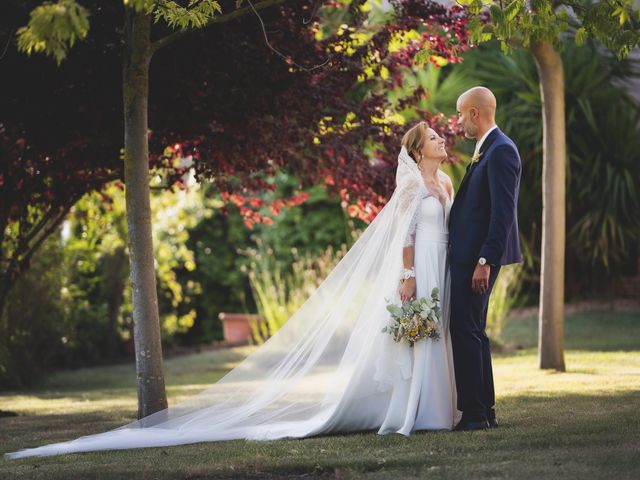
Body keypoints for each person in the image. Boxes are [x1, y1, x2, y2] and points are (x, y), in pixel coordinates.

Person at [6, 122, 460, 460]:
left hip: (442, 265)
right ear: (418, 150)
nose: (443, 139)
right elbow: (405, 236)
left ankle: (439, 407)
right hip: (418, 267)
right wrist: (407, 277)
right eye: (435, 136)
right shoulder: (409, 186)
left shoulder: (444, 182)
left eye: (441, 134)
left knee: (437, 331)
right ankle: (415, 412)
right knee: (415, 336)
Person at [449, 86, 523, 431]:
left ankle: (475, 415)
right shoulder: (487, 148)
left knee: (465, 329)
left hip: (477, 259)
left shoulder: (502, 151)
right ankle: (485, 411)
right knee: (473, 330)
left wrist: (484, 260)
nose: (459, 120)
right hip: (470, 256)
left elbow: (503, 214)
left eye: (461, 113)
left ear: (475, 114)